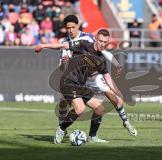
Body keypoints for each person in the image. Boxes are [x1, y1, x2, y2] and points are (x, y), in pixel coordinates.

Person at [35, 15, 137, 143]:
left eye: (105, 42)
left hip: (82, 85)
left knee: (100, 108)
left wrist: (119, 93)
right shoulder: (83, 44)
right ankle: (61, 128)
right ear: (96, 39)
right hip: (69, 81)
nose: (102, 44)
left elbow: (108, 78)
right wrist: (43, 45)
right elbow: (64, 46)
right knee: (80, 109)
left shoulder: (101, 60)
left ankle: (92, 137)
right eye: (100, 41)